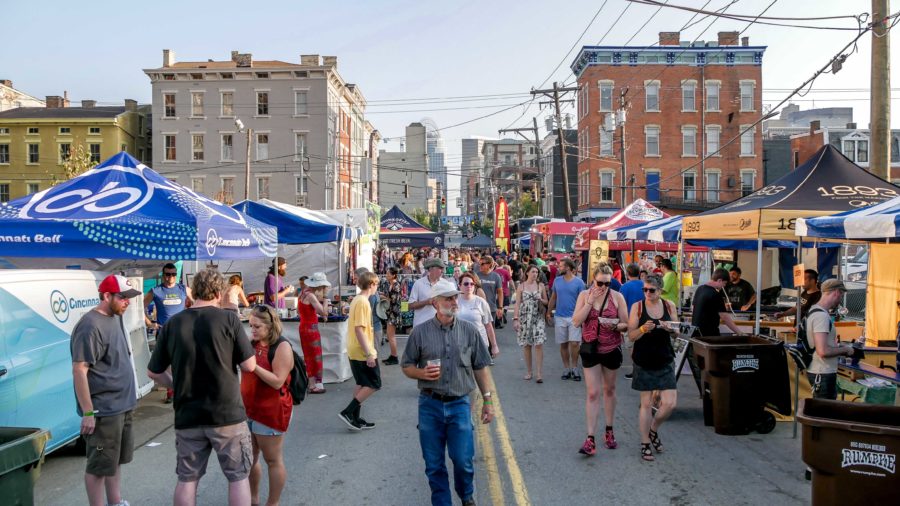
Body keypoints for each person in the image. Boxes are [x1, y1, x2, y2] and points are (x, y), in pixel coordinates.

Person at [147, 268, 257, 506]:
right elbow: (249, 366)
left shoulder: (173, 324)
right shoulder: (229, 319)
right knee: (238, 477)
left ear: (193, 291)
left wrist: (175, 384)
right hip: (226, 413)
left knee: (187, 478)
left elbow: (153, 372)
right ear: (219, 292)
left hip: (188, 413)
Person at [401, 287, 495, 506]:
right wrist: (421, 373)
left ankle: (466, 495)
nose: (455, 301)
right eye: (449, 298)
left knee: (463, 460)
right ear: (436, 303)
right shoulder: (420, 332)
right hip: (430, 405)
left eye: (455, 297)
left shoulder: (469, 331)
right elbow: (406, 365)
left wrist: (488, 401)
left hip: (460, 404)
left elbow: (480, 367)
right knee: (434, 465)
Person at [71, 274, 141, 506]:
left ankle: (115, 501)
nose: (127, 302)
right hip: (105, 409)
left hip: (123, 405)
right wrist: (89, 412)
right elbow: (80, 370)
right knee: (99, 466)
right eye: (123, 297)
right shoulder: (89, 326)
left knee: (114, 460)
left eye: (129, 297)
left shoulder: (114, 317)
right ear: (107, 295)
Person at [572, 263, 629, 455]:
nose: (604, 287)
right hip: (590, 347)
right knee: (593, 393)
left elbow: (626, 324)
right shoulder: (584, 295)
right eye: (600, 283)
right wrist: (590, 302)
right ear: (593, 280)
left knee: (609, 390)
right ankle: (590, 438)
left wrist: (615, 326)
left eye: (608, 283)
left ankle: (609, 429)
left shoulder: (617, 297)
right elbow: (576, 321)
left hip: (611, 348)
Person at [241, 305, 294, 506]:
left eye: (256, 326)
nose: (252, 330)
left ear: (270, 326)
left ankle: (273, 503)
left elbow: (278, 381)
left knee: (272, 460)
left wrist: (253, 366)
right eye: (250, 325)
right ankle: (253, 499)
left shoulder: (282, 346)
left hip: (271, 411)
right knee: (250, 460)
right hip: (248, 409)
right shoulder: (252, 343)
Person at [626, 274, 679, 462]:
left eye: (651, 290)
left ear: (660, 291)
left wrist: (669, 328)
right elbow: (631, 336)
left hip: (664, 358)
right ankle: (645, 443)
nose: (647, 293)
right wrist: (642, 330)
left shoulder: (669, 306)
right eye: (645, 290)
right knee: (646, 404)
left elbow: (677, 332)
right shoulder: (638, 307)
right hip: (644, 359)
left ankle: (653, 429)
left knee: (670, 403)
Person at [338, 271, 382, 431]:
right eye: (376, 284)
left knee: (362, 382)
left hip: (354, 347)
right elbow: (359, 330)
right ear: (371, 285)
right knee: (374, 383)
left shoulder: (357, 299)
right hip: (362, 349)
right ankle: (348, 412)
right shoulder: (363, 302)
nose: (377, 287)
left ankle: (354, 418)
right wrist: (369, 353)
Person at [144, 263, 193, 403]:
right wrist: (149, 323)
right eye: (167, 274)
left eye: (173, 274)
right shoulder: (156, 291)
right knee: (167, 364)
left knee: (184, 360)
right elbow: (139, 307)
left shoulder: (184, 288)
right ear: (163, 275)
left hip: (183, 332)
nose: (170, 277)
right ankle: (172, 390)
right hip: (164, 332)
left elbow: (198, 303)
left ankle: (184, 388)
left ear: (176, 275)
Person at [806, 279, 855, 399]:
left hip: (819, 371)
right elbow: (823, 351)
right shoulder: (821, 316)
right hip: (823, 372)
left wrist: (836, 346)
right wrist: (846, 350)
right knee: (825, 414)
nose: (840, 300)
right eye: (841, 295)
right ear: (837, 292)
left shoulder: (814, 311)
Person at [546, 258, 587, 381]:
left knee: (574, 343)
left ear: (568, 268)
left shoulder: (579, 282)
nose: (559, 267)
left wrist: (583, 317)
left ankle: (574, 367)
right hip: (560, 316)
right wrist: (548, 312)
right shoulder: (557, 281)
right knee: (563, 344)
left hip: (574, 317)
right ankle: (566, 368)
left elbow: (584, 301)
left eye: (561, 266)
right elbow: (553, 297)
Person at [514, 265, 548, 382]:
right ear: (527, 273)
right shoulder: (521, 286)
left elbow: (546, 301)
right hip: (525, 317)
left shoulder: (541, 286)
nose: (535, 274)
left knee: (538, 344)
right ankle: (529, 372)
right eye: (533, 272)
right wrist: (516, 318)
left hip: (537, 316)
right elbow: (517, 303)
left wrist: (541, 299)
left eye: (537, 272)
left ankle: (539, 373)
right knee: (527, 344)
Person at [299, 272, 331, 394]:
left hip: (304, 327)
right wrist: (326, 299)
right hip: (311, 329)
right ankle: (314, 386)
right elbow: (324, 312)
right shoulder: (311, 296)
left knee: (308, 356)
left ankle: (311, 383)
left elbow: (300, 310)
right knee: (315, 356)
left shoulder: (303, 292)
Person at [457, 272, 500, 359]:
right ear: (459, 286)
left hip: (480, 344)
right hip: (460, 344)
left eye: (472, 284)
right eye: (466, 284)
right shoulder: (454, 302)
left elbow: (488, 325)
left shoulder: (481, 302)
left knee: (480, 371)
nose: (469, 286)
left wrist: (494, 346)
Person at [408, 258, 455, 328]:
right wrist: (427, 302)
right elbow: (409, 306)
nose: (443, 271)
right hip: (421, 326)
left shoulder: (446, 284)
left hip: (440, 327)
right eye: (440, 268)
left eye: (443, 268)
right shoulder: (418, 283)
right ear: (431, 269)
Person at [476, 257, 505, 329]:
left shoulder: (496, 276)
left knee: (490, 330)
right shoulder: (476, 276)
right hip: (478, 307)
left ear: (489, 265)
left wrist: (500, 307)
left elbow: (500, 292)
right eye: (480, 264)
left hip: (491, 308)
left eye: (482, 264)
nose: (480, 266)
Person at [383, 267, 403, 365]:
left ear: (393, 275)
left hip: (394, 314)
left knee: (391, 336)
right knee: (390, 335)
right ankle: (392, 355)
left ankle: (394, 356)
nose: (386, 275)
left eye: (388, 274)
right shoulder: (390, 284)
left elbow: (394, 300)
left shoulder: (396, 285)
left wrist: (384, 297)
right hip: (391, 313)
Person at [494, 257, 514, 325]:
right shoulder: (506, 272)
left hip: (496, 292)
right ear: (503, 264)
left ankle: (499, 319)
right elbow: (510, 281)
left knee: (498, 306)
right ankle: (504, 311)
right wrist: (514, 288)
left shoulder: (494, 272)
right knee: (506, 304)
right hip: (505, 291)